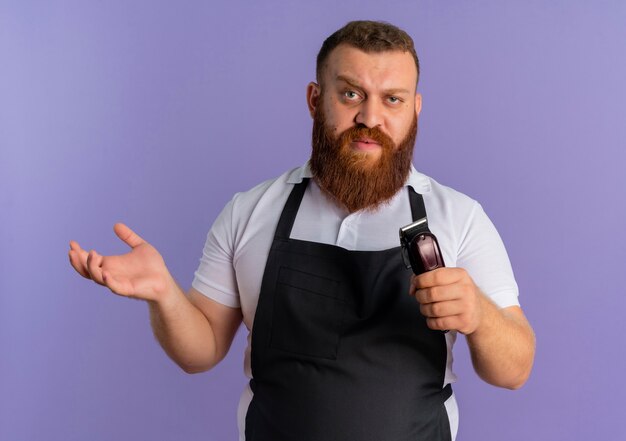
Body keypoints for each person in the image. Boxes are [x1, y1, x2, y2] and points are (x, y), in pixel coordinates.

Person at [69, 20, 535, 441]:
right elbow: (201, 351)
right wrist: (164, 295)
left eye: (392, 99)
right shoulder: (250, 211)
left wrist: (478, 314)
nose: (371, 118)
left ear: (414, 109)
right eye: (350, 94)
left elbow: (514, 370)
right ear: (316, 99)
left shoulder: (460, 217)